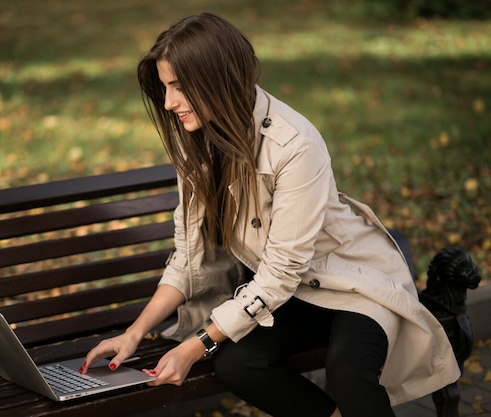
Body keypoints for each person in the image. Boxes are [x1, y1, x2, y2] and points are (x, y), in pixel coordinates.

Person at [80, 12, 460, 417]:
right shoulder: (197, 139)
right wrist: (134, 333)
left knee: (348, 372)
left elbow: (280, 271)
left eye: (177, 86)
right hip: (297, 289)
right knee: (238, 363)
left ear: (216, 78)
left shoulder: (295, 145)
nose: (169, 102)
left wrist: (194, 346)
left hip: (353, 281)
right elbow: (189, 258)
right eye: (164, 87)